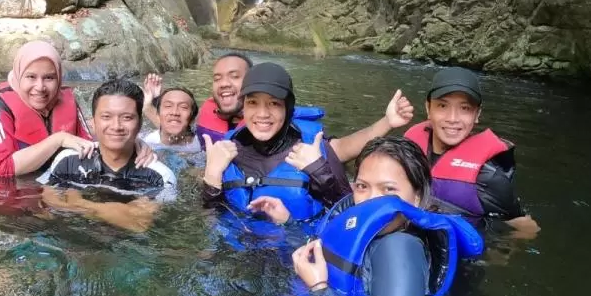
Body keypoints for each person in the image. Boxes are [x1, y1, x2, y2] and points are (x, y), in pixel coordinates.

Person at [289, 137, 483, 296]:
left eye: (389, 189)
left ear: (417, 198)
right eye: (362, 187)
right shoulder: (362, 229)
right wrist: (285, 223)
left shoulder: (399, 246)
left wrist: (321, 290)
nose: (372, 201)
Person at [147, 52, 415, 159]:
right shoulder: (212, 119)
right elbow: (171, 128)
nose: (224, 84)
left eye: (234, 77)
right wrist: (150, 103)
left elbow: (341, 148)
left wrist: (387, 122)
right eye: (217, 78)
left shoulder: (284, 129)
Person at [202, 62, 349, 226]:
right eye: (252, 103)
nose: (262, 114)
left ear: (288, 108)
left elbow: (351, 220)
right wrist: (211, 178)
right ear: (243, 107)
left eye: (274, 103)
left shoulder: (315, 151)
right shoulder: (226, 150)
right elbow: (209, 217)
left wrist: (320, 172)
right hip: (232, 249)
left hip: (296, 248)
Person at [404, 66, 539, 236]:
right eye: (442, 106)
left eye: (465, 108)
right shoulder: (407, 151)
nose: (453, 118)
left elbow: (525, 226)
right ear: (428, 108)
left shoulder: (489, 177)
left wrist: (499, 252)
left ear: (477, 114)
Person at [38, 78, 176, 233]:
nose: (116, 126)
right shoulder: (69, 160)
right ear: (93, 122)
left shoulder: (159, 176)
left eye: (127, 117)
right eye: (106, 117)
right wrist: (116, 212)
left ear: (139, 123)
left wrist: (78, 203)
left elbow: (139, 223)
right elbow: (48, 202)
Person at [0, 41, 95, 178]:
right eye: (31, 77)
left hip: (60, 190)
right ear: (19, 76)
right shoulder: (0, 106)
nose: (40, 87)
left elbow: (89, 150)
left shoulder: (69, 101)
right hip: (15, 192)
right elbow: (0, 169)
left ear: (58, 78)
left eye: (49, 78)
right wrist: (58, 140)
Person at [139, 79, 201, 153]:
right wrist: (148, 105)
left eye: (183, 107)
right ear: (157, 114)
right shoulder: (145, 143)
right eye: (168, 106)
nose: (174, 112)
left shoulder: (202, 145)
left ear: (192, 118)